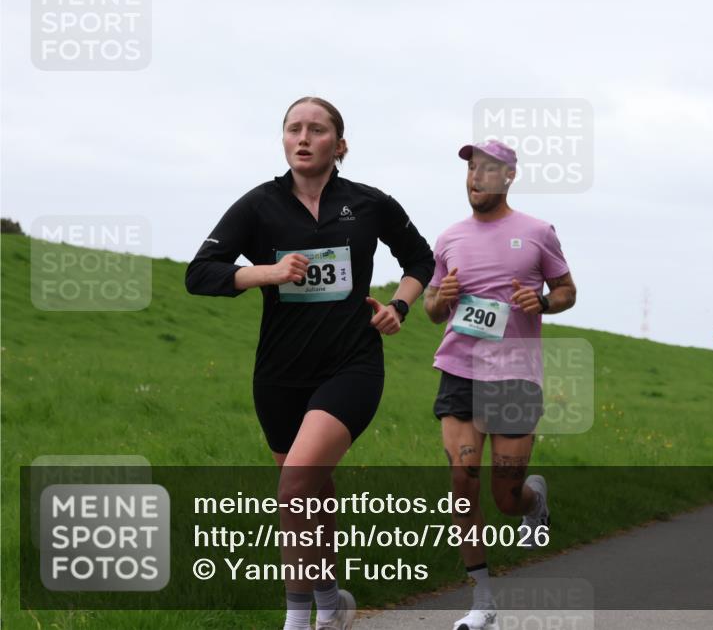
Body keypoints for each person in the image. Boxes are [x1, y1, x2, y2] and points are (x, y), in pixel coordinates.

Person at [186, 97, 435, 630]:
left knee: (296, 483)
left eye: (316, 130)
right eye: (293, 129)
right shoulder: (259, 205)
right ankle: (331, 602)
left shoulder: (370, 204)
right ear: (283, 140)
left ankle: (297, 618)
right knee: (310, 494)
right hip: (279, 374)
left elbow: (421, 258)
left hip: (351, 365)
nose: (303, 137)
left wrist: (399, 306)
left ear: (339, 146)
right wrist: (267, 274)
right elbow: (200, 272)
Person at [423, 139, 577, 630]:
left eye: (487, 171)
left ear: (508, 177)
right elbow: (430, 306)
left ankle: (534, 501)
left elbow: (567, 290)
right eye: (470, 170)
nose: (475, 178)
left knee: (505, 496)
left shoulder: (537, 232)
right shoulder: (448, 238)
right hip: (460, 371)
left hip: (514, 375)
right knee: (462, 483)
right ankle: (482, 599)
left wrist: (544, 304)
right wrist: (440, 297)